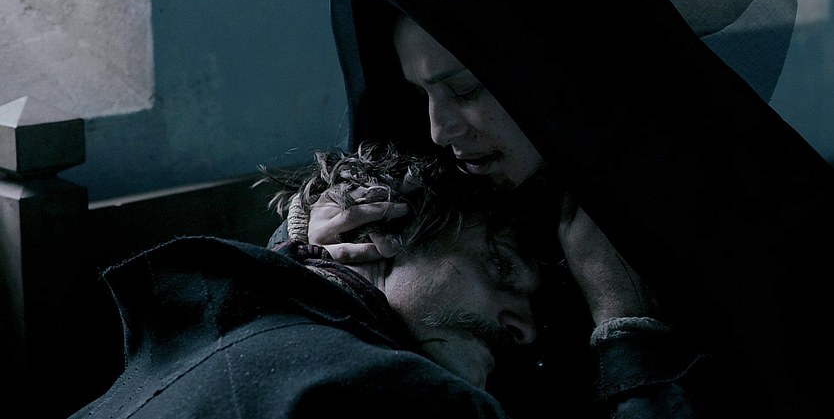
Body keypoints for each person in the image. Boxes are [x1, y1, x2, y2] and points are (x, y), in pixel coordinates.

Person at [272, 0, 834, 418]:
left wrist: (628, 335)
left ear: (556, 69)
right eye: (419, 95)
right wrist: (306, 259)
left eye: (465, 89)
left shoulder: (752, 223)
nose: (439, 130)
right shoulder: (448, 200)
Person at [66, 141, 560, 419]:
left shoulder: (208, 312)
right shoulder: (410, 397)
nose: (525, 331)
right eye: (500, 267)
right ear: (379, 224)